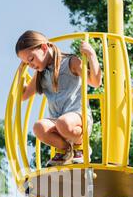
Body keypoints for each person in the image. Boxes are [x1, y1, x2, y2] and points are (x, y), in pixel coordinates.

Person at [15, 30, 102, 166]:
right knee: (39, 127)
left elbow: (95, 82)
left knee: (63, 123)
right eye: (27, 62)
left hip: (78, 118)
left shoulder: (70, 62)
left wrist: (91, 55)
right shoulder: (41, 74)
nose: (31, 65)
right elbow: (23, 96)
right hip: (59, 121)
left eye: (31, 59)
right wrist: (21, 74)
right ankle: (65, 150)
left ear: (44, 47)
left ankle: (81, 146)